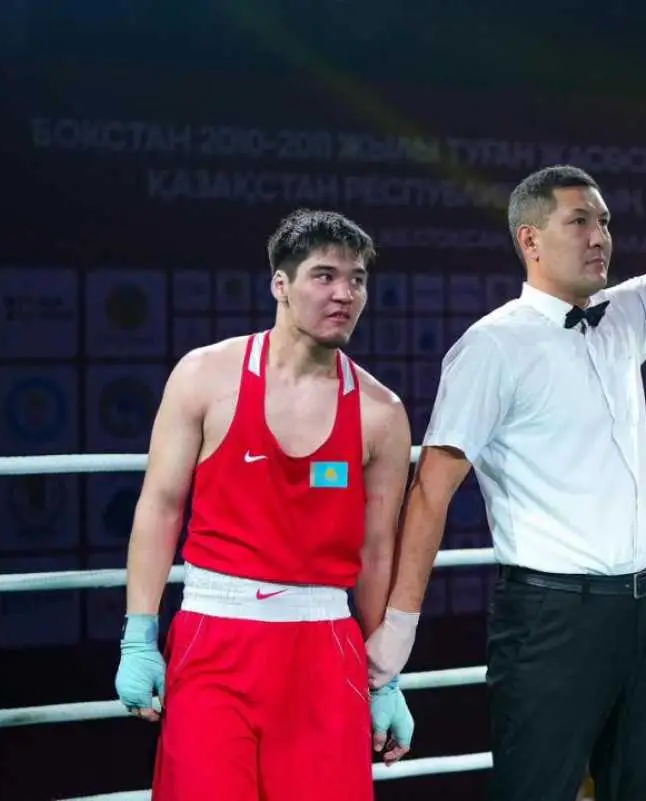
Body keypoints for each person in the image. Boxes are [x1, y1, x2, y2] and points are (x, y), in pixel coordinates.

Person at [360, 24, 646, 801]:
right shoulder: (492, 346)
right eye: (581, 221)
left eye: (604, 220)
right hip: (550, 617)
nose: (601, 235)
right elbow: (431, 492)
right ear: (531, 238)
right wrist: (398, 631)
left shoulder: (623, 315)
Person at [114, 208, 416, 800]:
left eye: (357, 280)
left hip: (325, 649)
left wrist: (385, 678)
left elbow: (377, 551)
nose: (345, 294)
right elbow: (160, 507)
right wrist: (138, 635)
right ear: (281, 283)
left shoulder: (381, 413)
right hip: (214, 638)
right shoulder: (205, 376)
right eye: (325, 276)